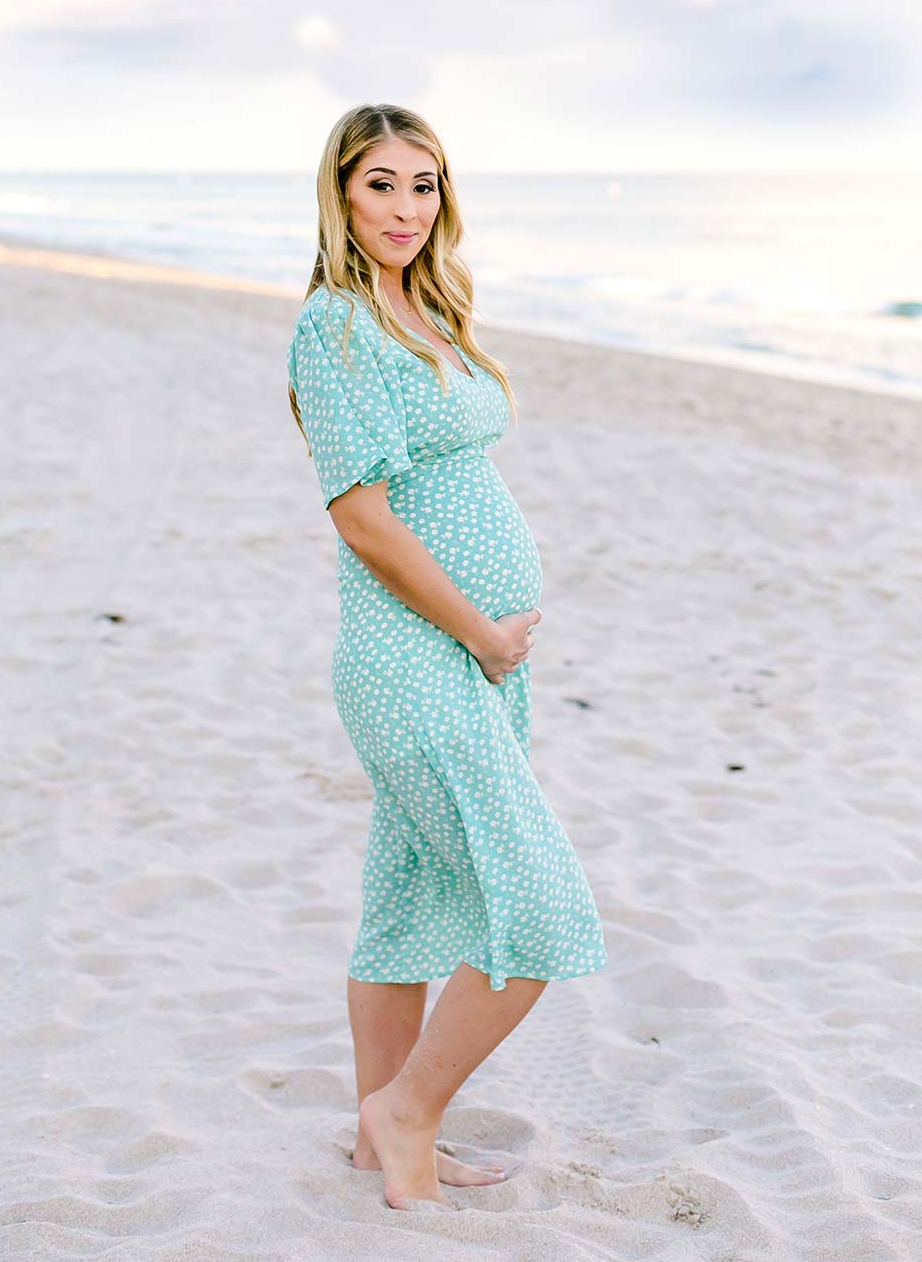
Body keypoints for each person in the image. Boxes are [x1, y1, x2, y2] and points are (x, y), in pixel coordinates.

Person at [286, 103, 608, 1210]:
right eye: (382, 185)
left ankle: (381, 1134)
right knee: (540, 909)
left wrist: (485, 643)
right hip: (412, 659)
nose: (407, 208)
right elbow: (363, 516)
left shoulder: (422, 306)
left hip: (467, 665)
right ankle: (409, 1110)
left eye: (424, 186)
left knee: (410, 892)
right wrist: (477, 629)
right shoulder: (333, 328)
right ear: (340, 192)